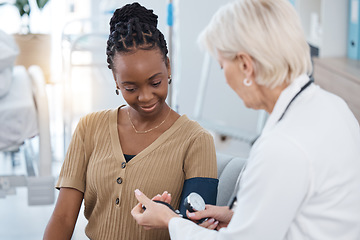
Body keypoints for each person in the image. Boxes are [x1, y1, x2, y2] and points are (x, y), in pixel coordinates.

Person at [131, 0, 360, 239]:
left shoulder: (282, 147)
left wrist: (170, 221)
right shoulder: (333, 106)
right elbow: (311, 208)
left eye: (222, 67)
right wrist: (239, 216)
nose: (226, 81)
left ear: (245, 65)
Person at [43, 2, 218, 240]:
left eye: (155, 82)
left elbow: (197, 230)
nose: (145, 97)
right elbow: (63, 218)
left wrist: (169, 218)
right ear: (115, 80)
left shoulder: (196, 141)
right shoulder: (89, 128)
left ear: (167, 67)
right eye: (130, 87)